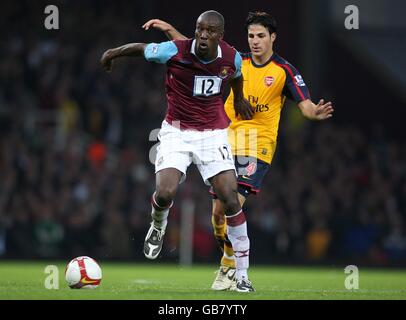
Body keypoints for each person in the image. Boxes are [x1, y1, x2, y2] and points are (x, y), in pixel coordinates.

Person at [142, 11, 334, 291]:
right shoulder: (235, 60)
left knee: (233, 204)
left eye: (261, 36)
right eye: (251, 36)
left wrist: (313, 112)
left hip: (257, 147)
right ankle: (227, 262)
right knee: (217, 216)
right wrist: (171, 29)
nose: (255, 41)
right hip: (224, 140)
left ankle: (234, 269)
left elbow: (304, 104)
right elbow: (195, 47)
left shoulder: (284, 71)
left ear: (273, 38)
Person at [101, 10, 256, 292]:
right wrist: (112, 52)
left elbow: (236, 75)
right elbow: (141, 49)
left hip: (213, 134)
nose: (203, 35)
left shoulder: (230, 56)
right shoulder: (175, 51)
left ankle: (243, 276)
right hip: (176, 131)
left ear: (220, 36)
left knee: (231, 200)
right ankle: (158, 225)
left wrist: (241, 98)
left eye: (210, 31)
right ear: (195, 30)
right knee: (165, 193)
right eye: (199, 29)